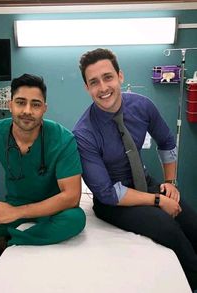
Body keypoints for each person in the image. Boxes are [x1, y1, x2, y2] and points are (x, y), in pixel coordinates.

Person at [73, 48, 197, 291]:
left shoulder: (143, 106)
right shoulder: (84, 133)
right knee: (169, 230)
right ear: (87, 88)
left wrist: (170, 183)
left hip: (146, 182)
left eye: (108, 77)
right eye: (94, 82)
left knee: (192, 223)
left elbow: (167, 142)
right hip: (112, 204)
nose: (103, 87)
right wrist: (158, 200)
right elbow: (107, 193)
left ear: (120, 76)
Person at [0, 73, 86, 293]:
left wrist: (17, 213)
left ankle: (9, 243)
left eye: (35, 104)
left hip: (51, 210)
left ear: (44, 109)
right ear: (10, 105)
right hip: (12, 207)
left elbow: (71, 196)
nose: (27, 110)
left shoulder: (63, 139)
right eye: (21, 102)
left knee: (76, 218)